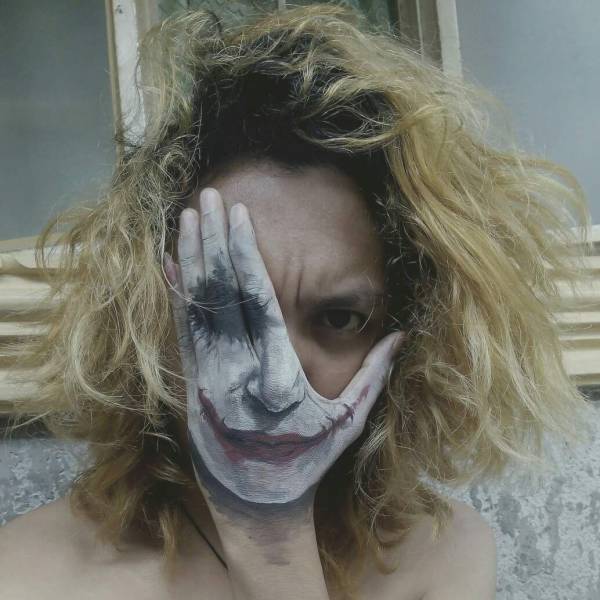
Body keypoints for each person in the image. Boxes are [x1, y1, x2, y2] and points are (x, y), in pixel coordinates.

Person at [0, 4, 594, 599]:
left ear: (409, 336)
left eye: (338, 319)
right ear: (147, 317)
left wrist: (270, 534)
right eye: (225, 312)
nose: (276, 381)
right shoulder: (29, 575)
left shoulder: (440, 555)